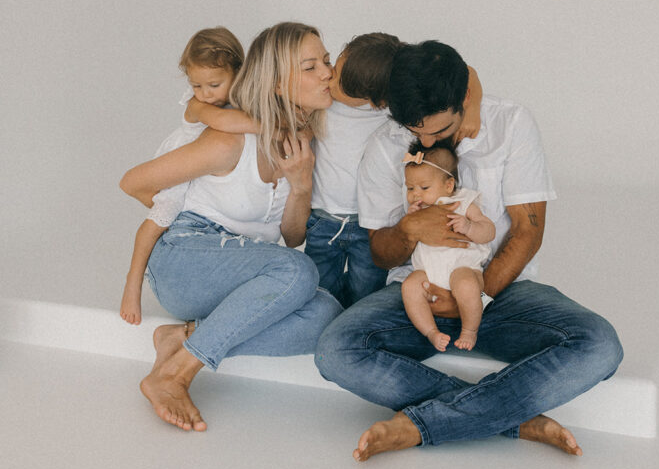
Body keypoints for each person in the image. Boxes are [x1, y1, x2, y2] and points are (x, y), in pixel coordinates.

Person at [315, 40, 623, 460]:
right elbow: (381, 253)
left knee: (600, 345)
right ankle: (509, 417)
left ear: (464, 99)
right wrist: (407, 230)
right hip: (419, 297)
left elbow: (528, 231)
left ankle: (424, 425)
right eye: (414, 129)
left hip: (502, 291)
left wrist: (474, 296)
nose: (423, 139)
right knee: (335, 351)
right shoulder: (385, 146)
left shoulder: (510, 123)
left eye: (437, 131)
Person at [119, 22, 341, 432]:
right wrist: (171, 208)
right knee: (297, 270)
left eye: (326, 61)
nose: (327, 73)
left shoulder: (305, 141)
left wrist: (301, 184)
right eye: (311, 67)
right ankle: (176, 374)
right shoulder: (228, 140)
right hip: (185, 262)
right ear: (276, 83)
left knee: (327, 315)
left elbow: (293, 238)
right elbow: (133, 182)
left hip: (244, 276)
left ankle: (183, 337)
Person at [306, 33, 484, 306]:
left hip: (368, 224)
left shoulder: (397, 108)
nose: (329, 78)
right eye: (335, 66)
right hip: (322, 217)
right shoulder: (323, 103)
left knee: (365, 289)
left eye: (340, 82)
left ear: (379, 101)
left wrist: (472, 110)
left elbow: (464, 72)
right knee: (318, 287)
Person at [120, 27, 256, 325]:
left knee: (172, 215)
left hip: (203, 170)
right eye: (197, 85)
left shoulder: (240, 99)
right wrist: (274, 124)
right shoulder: (200, 105)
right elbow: (223, 121)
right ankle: (132, 284)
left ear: (238, 72)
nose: (205, 93)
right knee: (159, 219)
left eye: (214, 84)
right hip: (182, 165)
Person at [401, 144, 495, 351]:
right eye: (410, 188)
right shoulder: (417, 211)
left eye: (424, 188)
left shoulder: (463, 202)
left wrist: (469, 226)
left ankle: (469, 330)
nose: (416, 194)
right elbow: (406, 238)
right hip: (427, 273)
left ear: (449, 185)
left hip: (462, 268)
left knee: (466, 286)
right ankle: (431, 332)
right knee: (409, 286)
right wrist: (411, 220)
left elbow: (489, 231)